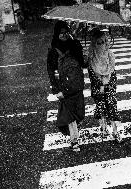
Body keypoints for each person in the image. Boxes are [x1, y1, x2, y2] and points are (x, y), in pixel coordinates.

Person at [47, 21, 87, 152]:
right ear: (56, 34)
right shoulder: (53, 50)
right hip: (64, 87)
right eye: (61, 33)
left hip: (77, 85)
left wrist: (79, 47)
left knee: (78, 113)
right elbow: (50, 71)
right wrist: (56, 89)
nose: (64, 35)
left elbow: (82, 63)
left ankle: (74, 136)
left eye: (66, 32)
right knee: (69, 115)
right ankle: (74, 141)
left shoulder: (74, 44)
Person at [87, 28, 122, 143]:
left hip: (109, 86)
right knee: (101, 106)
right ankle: (103, 127)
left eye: (104, 42)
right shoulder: (91, 58)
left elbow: (113, 73)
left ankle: (115, 131)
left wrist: (106, 84)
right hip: (97, 87)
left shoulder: (110, 55)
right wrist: (100, 84)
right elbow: (92, 75)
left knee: (111, 106)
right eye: (98, 43)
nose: (102, 45)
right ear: (94, 44)